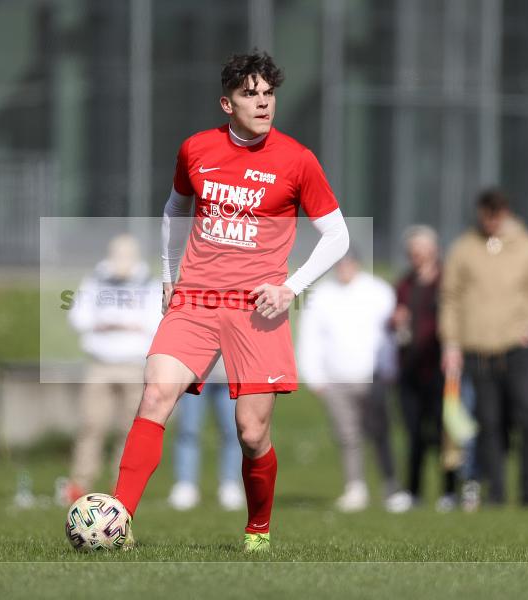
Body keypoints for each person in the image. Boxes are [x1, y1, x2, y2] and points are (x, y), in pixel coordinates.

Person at [111, 51, 349, 552]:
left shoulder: (297, 159)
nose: (263, 103)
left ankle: (258, 529)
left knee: (251, 432)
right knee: (155, 394)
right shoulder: (196, 149)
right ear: (227, 103)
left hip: (257, 310)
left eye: (269, 94)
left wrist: (291, 287)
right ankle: (116, 522)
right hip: (194, 300)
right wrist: (170, 275)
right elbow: (175, 209)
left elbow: (337, 236)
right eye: (250, 94)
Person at [439, 189, 528, 506]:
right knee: (488, 423)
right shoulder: (464, 248)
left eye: (496, 214)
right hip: (478, 351)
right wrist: (451, 342)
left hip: (516, 348)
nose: (491, 221)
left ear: (505, 213)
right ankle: (496, 492)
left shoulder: (527, 246)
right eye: (485, 214)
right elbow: (450, 298)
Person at [298, 248, 410, 513]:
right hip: (336, 378)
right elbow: (310, 338)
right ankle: (355, 487)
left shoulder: (378, 291)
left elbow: (389, 335)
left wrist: (390, 368)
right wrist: (313, 375)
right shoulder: (322, 295)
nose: (344, 268)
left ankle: (390, 486)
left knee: (380, 432)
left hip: (372, 377)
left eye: (349, 263)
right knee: (347, 435)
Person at [57, 234, 162, 505]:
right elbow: (78, 317)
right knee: (91, 425)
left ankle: (121, 486)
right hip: (100, 364)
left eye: (127, 255)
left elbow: (154, 322)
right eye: (118, 255)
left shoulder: (149, 285)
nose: (122, 261)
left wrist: (120, 323)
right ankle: (79, 484)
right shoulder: (95, 282)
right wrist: (109, 322)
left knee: (129, 430)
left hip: (134, 365)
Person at [390, 225, 459, 511]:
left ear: (434, 251)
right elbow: (392, 321)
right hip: (410, 368)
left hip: (440, 367)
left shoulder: (447, 282)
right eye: (412, 252)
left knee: (445, 432)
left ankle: (449, 490)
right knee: (413, 430)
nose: (416, 256)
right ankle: (413, 489)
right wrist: (395, 320)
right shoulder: (404, 284)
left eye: (421, 250)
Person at [167, 356, 246, 512]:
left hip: (229, 371)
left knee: (232, 431)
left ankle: (230, 484)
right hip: (193, 370)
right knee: (188, 430)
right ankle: (186, 484)